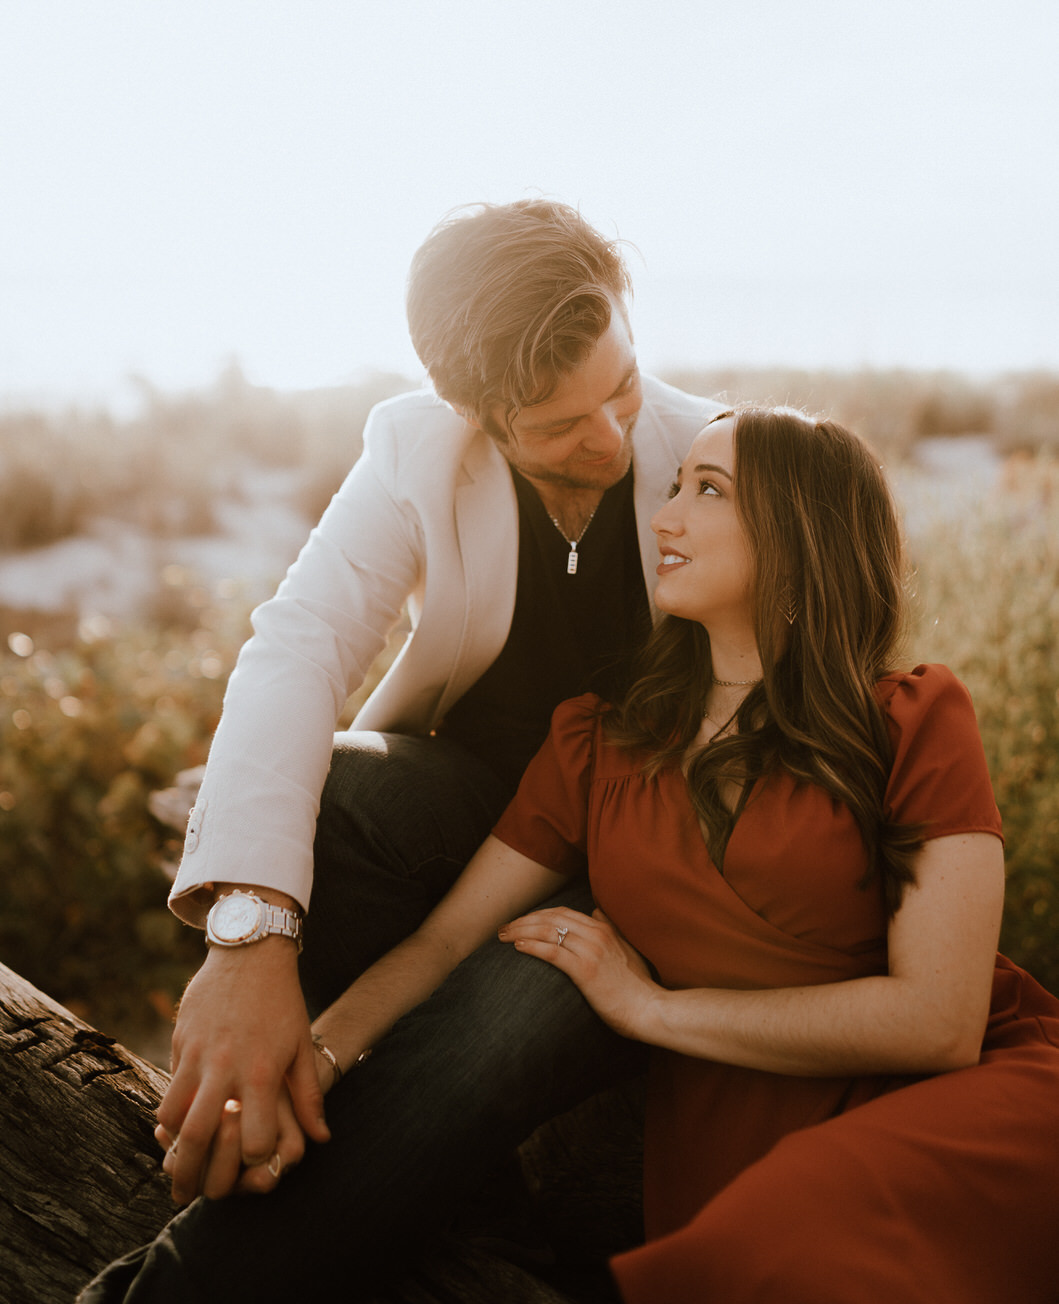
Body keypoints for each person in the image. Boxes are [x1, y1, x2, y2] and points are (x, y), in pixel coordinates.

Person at [84, 402, 1059, 1303]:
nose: (667, 514)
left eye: (707, 490)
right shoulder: (598, 740)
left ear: (800, 533)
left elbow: (936, 1022)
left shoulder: (911, 717)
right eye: (673, 484)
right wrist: (307, 1063)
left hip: (942, 1105)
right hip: (721, 1121)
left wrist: (651, 1008)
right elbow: (441, 942)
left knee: (789, 1241)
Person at [79, 198, 718, 1297]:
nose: (610, 439)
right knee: (319, 806)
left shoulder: (719, 452)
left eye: (620, 388)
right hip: (473, 816)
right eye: (559, 423)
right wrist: (249, 945)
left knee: (499, 1029)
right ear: (473, 408)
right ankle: (459, 1196)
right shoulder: (418, 449)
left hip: (646, 869)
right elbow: (299, 645)